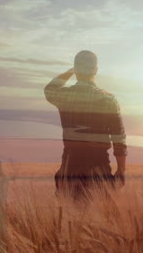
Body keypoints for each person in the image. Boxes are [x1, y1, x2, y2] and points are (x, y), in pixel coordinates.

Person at [44, 50, 127, 200]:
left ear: (76, 70)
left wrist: (70, 71)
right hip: (99, 167)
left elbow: (49, 89)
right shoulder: (109, 100)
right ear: (96, 70)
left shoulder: (64, 96)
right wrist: (121, 169)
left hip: (69, 167)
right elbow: (119, 138)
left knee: (67, 216)